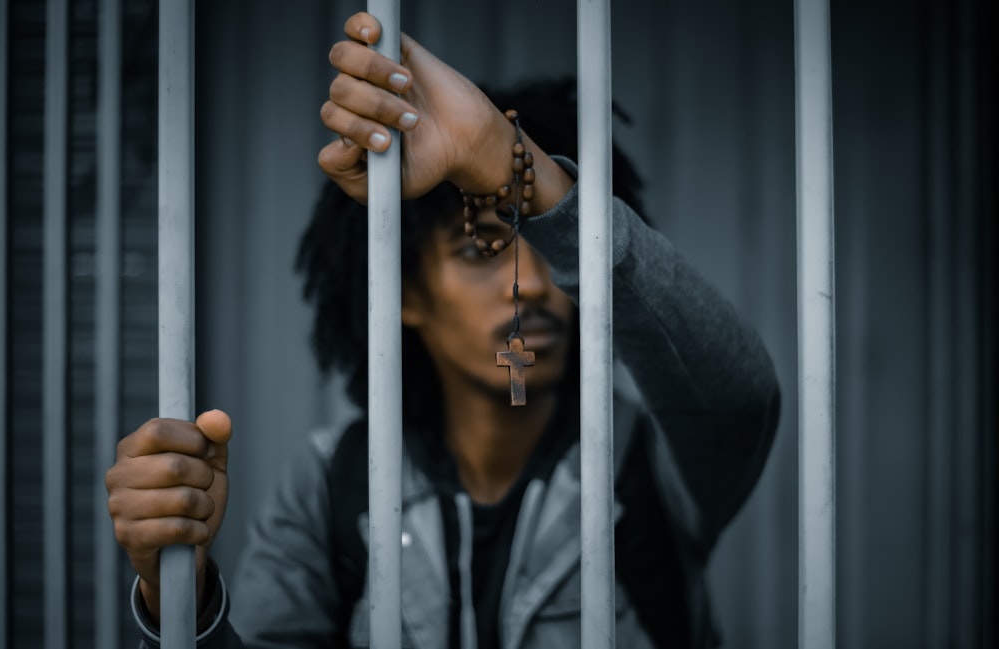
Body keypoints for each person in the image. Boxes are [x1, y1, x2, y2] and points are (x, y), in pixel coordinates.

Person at [105, 11, 780, 649]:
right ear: (403, 292)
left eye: (550, 250)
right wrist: (181, 600)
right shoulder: (334, 480)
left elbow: (738, 397)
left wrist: (508, 162)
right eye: (481, 248)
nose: (538, 284)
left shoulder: (643, 458)